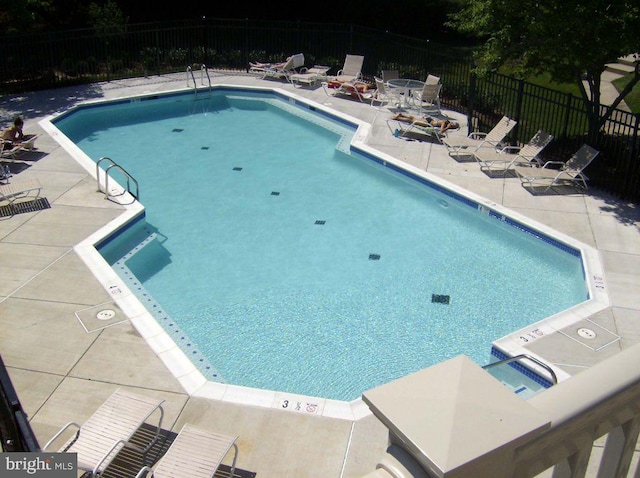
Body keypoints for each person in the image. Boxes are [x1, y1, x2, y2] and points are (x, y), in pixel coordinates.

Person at [390, 113, 460, 133]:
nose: (452, 126)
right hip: (429, 123)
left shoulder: (445, 121)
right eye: (453, 126)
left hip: (429, 120)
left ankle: (401, 115)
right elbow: (441, 131)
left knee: (412, 118)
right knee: (412, 121)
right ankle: (398, 118)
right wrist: (447, 127)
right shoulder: (445, 123)